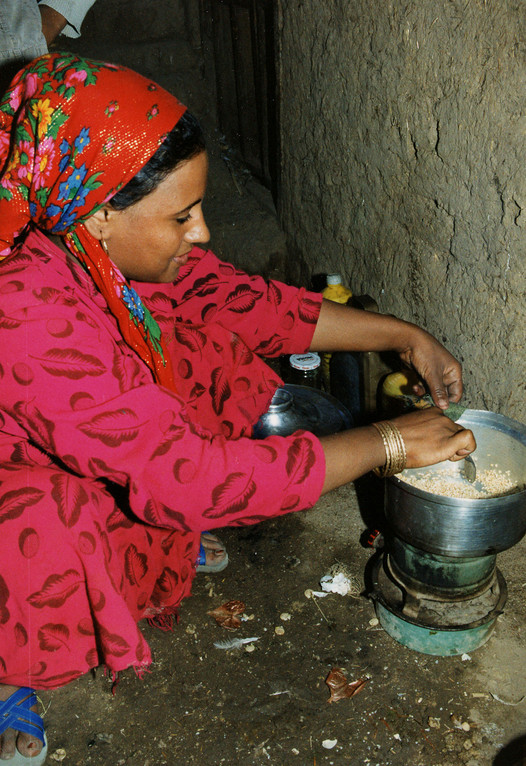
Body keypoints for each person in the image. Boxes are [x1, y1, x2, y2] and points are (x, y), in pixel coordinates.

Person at [0, 53, 475, 763]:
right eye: (181, 216)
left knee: (201, 346)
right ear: (100, 214)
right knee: (47, 520)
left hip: (81, 424)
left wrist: (404, 337)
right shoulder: (24, 309)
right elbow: (184, 473)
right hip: (19, 479)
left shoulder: (80, 236)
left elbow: (246, 303)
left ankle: (149, 537)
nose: (202, 234)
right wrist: (389, 444)